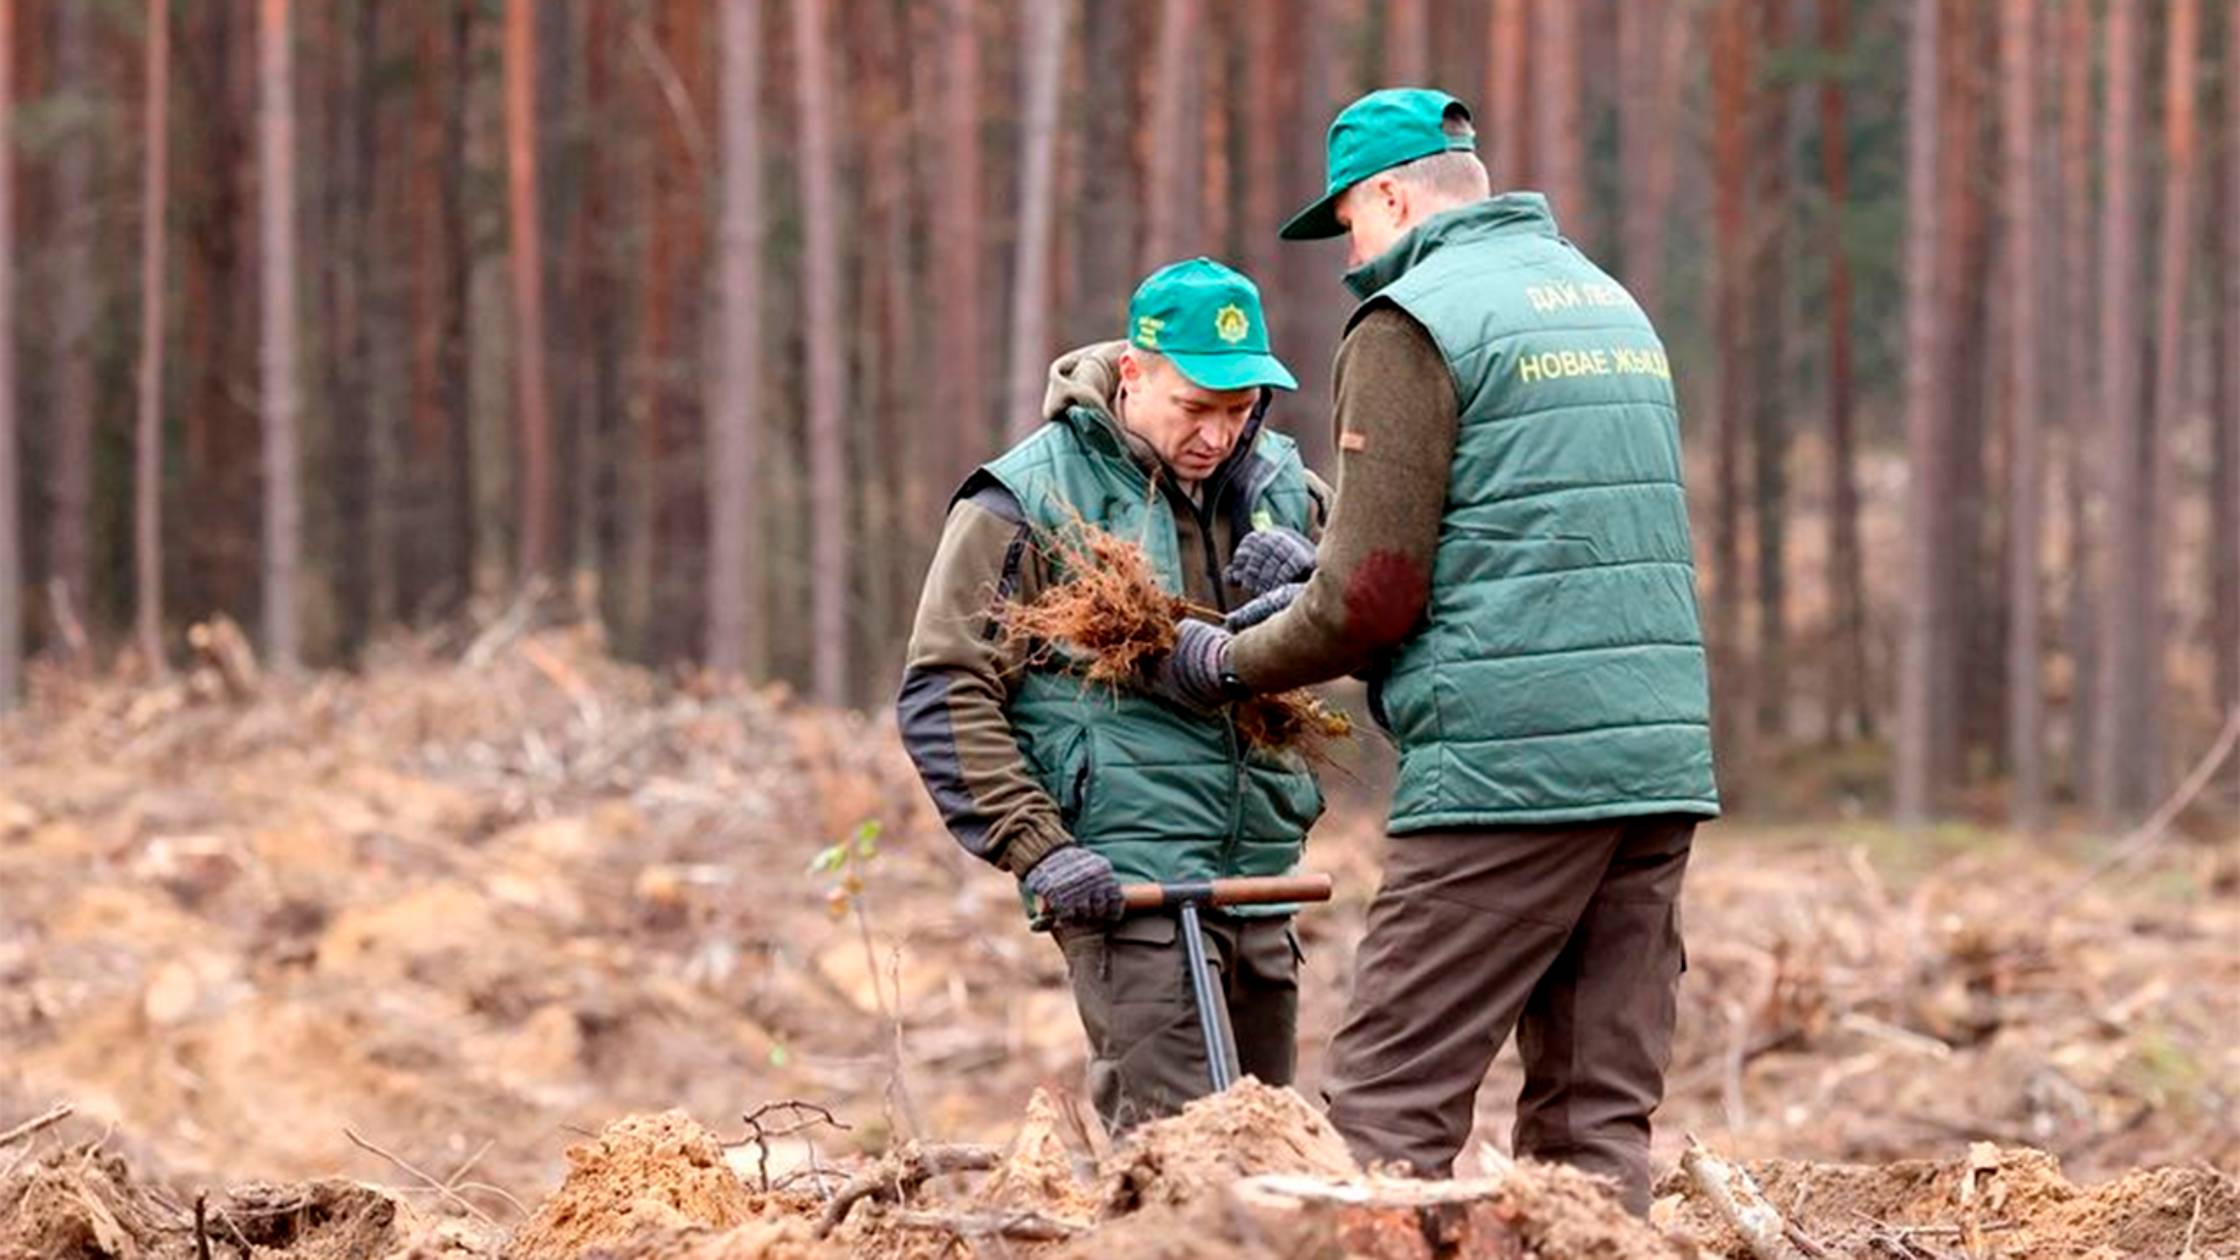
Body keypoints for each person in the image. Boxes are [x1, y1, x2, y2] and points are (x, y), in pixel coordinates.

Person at [1144, 88, 1720, 1214]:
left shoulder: (1415, 321)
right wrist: (1307, 583)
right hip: (1655, 768)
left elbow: (1373, 597)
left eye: (1350, 224)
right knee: (1590, 1124)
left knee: (1383, 1111)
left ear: (1391, 195)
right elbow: (1525, 538)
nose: (1350, 256)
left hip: (1510, 771)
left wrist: (1226, 660)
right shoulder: (1604, 304)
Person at [897, 258, 1330, 1133]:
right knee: (1175, 1161)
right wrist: (1041, 849)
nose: (1217, 435)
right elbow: (945, 688)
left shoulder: (1282, 485)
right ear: (1134, 373)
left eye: (1239, 411)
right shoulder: (1027, 496)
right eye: (1195, 409)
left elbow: (1370, 626)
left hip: (1261, 879)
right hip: (1125, 882)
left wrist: (1317, 582)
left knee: (1274, 1153)